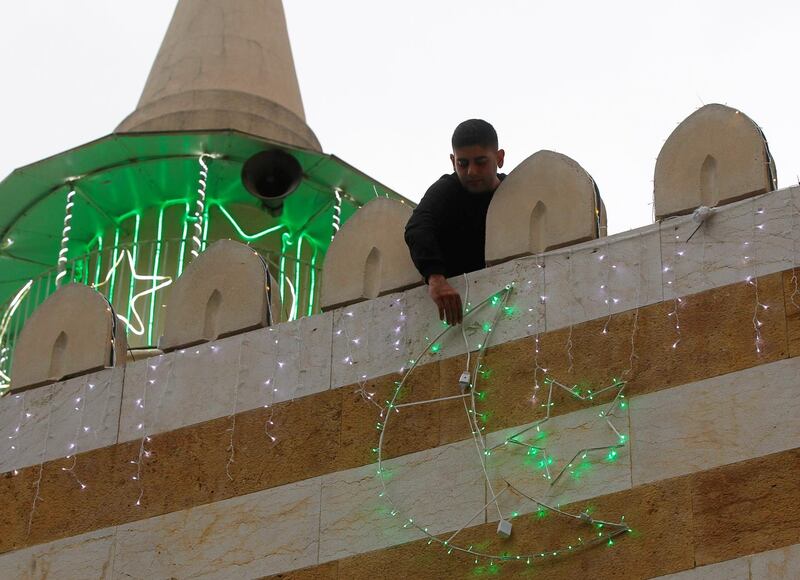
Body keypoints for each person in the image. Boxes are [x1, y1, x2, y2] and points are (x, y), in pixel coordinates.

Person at [404, 119, 506, 325]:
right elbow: (417, 227)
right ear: (453, 161)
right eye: (463, 163)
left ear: (499, 157)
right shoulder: (446, 190)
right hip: (460, 316)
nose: (471, 172)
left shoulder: (517, 191)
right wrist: (435, 278)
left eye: (481, 161)